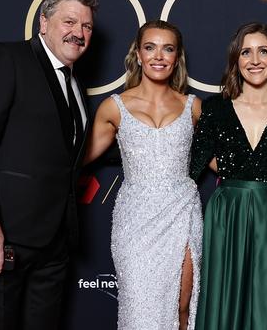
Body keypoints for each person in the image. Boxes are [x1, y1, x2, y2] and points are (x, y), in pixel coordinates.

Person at [0, 0, 97, 329]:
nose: (78, 33)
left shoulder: (74, 83)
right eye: (69, 22)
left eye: (87, 26)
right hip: (2, 233)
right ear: (43, 23)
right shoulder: (7, 59)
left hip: (54, 240)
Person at [190, 22, 267, 330]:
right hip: (229, 215)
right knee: (229, 304)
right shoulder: (215, 108)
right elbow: (193, 166)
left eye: (263, 51)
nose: (255, 60)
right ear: (235, 59)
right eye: (246, 52)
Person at [84, 20, 202, 330]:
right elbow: (76, 160)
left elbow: (221, 162)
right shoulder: (114, 107)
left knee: (183, 308)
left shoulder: (193, 107)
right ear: (138, 54)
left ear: (177, 57)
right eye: (150, 47)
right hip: (135, 220)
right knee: (140, 313)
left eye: (168, 49)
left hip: (183, 213)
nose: (159, 56)